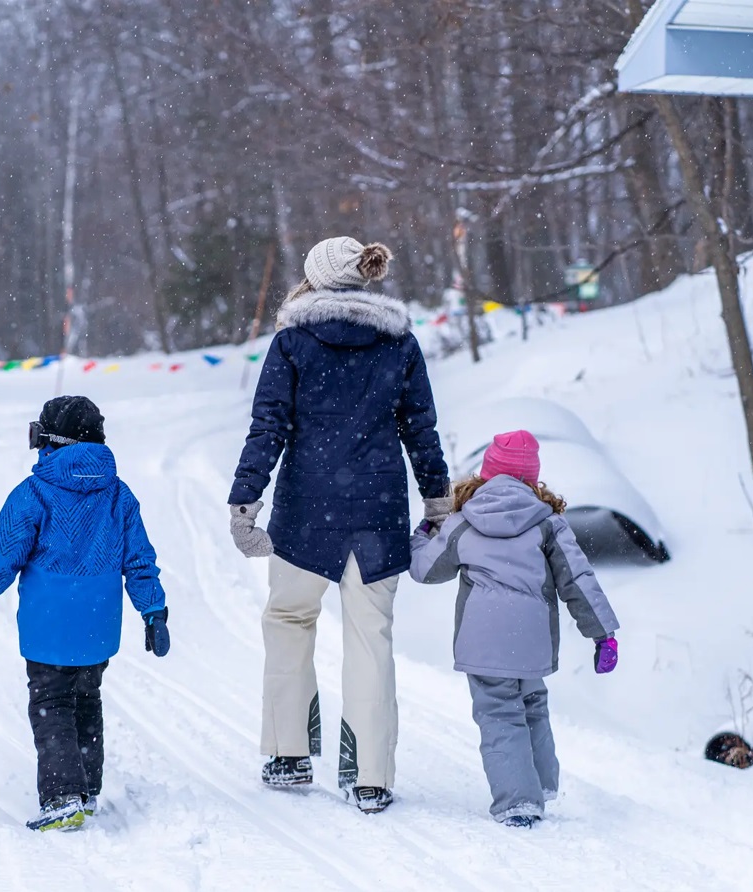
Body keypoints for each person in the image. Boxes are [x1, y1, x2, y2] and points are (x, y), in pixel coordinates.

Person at [228, 237, 451, 814]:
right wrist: (437, 500)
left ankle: (288, 752)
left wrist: (244, 502)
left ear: (315, 277)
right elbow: (421, 430)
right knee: (370, 638)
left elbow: (267, 428)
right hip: (377, 513)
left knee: (288, 619)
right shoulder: (399, 344)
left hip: (306, 514)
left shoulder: (292, 342)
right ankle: (371, 776)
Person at [0, 396, 170, 832]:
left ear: (50, 441)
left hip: (48, 626)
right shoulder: (119, 495)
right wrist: (153, 610)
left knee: (51, 704)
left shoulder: (34, 493)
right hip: (97, 627)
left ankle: (62, 795)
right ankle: (87, 788)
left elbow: (2, 555)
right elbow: (139, 560)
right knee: (87, 699)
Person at [408, 430, 619, 827]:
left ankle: (519, 800)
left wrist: (422, 536)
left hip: (482, 640)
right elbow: (579, 580)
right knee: (532, 703)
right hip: (532, 637)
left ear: (487, 474)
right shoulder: (549, 524)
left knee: (499, 713)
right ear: (531, 480)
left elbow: (427, 570)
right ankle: (540, 782)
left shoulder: (463, 521)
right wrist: (602, 634)